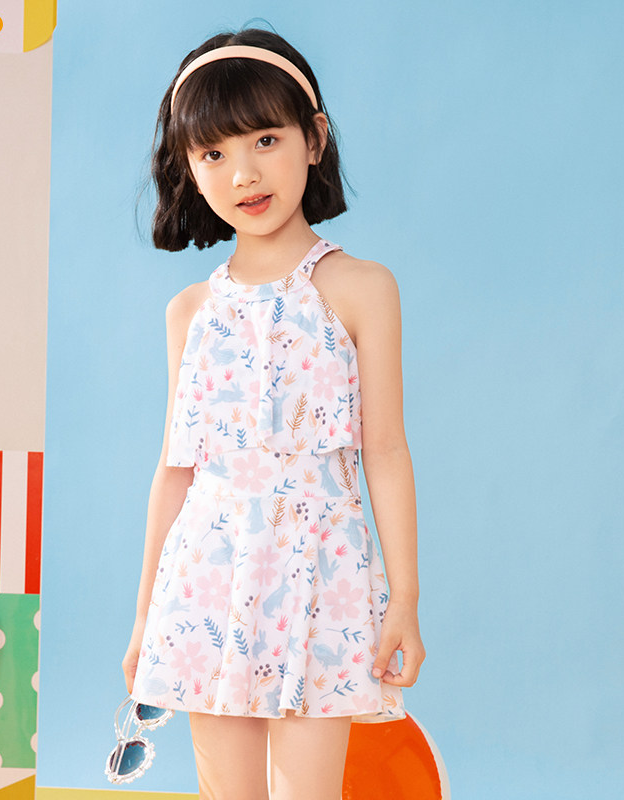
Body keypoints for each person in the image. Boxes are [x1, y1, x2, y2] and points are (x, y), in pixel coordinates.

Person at [122, 26, 426, 800]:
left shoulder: (361, 288)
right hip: (204, 581)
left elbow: (385, 450)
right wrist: (145, 618)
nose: (244, 173)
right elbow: (175, 472)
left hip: (320, 581)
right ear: (187, 168)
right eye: (213, 153)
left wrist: (404, 598)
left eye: (265, 139)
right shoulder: (189, 311)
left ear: (313, 139)